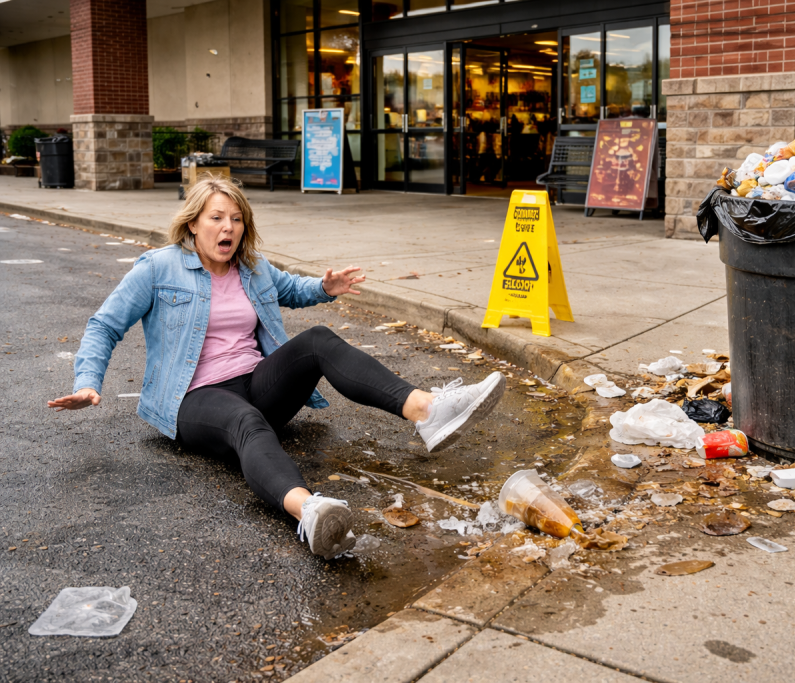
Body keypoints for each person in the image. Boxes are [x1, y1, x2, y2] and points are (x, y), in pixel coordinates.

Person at [48, 175, 505, 559]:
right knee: (245, 421)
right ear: (192, 223)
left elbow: (292, 289)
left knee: (318, 340)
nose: (229, 228)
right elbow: (104, 325)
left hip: (256, 383)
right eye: (217, 218)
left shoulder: (252, 267)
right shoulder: (158, 268)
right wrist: (88, 382)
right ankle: (311, 512)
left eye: (237, 218)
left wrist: (325, 286)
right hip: (194, 400)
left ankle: (428, 410)